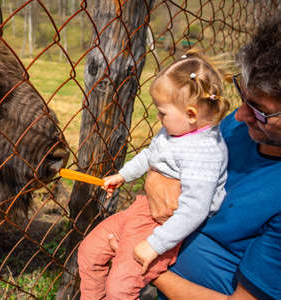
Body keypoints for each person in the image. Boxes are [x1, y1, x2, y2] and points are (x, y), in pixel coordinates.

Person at [109, 14, 281, 299]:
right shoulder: (239, 130)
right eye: (243, 96)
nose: (239, 115)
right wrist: (154, 178)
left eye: (260, 110)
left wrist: (150, 270)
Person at [77, 51, 231, 299]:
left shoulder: (204, 153)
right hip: (141, 209)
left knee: (120, 288)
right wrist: (123, 175)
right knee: (89, 252)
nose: (157, 118)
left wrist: (155, 245)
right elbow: (151, 154)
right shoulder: (174, 132)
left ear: (191, 114)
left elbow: (194, 209)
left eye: (162, 112)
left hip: (163, 226)